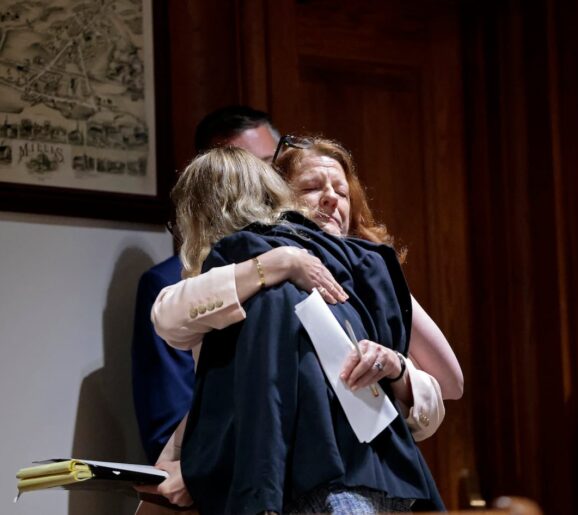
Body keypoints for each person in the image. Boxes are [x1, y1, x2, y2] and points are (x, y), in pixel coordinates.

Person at [173, 146, 444, 514]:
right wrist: (278, 262)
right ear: (279, 197)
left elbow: (450, 381)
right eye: (314, 188)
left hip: (340, 474)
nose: (332, 199)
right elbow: (170, 316)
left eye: (342, 190)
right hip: (346, 475)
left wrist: (395, 365)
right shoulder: (260, 268)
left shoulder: (367, 271)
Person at [131, 106, 281, 463]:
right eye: (244, 173)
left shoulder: (313, 260)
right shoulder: (168, 284)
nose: (264, 185)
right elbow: (167, 423)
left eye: (270, 166)